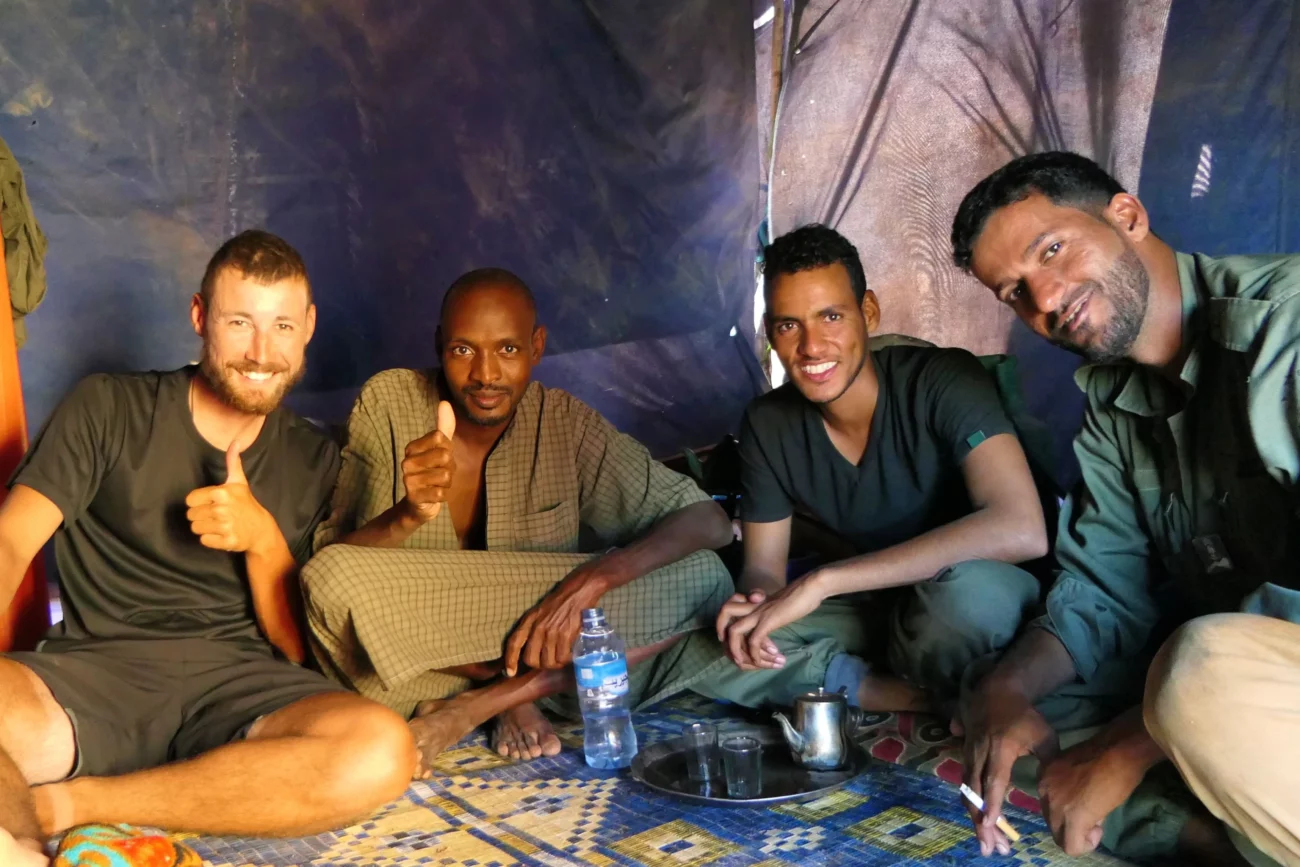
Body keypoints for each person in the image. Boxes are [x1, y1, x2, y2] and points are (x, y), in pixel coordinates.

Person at [0, 231, 415, 867]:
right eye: (239, 322)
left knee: (382, 750)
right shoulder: (108, 406)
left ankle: (68, 804)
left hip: (241, 688)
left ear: (308, 327)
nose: (261, 352)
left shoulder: (317, 459)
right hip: (95, 677)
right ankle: (22, 846)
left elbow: (294, 646)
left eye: (281, 326)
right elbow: (10, 540)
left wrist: (262, 540)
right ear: (201, 317)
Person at [950, 150, 1300, 867]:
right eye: (1014, 292)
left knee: (1198, 676)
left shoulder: (1285, 329)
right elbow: (1104, 593)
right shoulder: (1113, 405)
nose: (1046, 300)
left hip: (1244, 679)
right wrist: (1005, 693)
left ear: (1129, 216)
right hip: (1247, 691)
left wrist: (1126, 747)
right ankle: (1212, 839)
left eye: (1052, 250)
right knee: (1022, 721)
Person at [302, 268, 735, 776]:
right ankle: (510, 692)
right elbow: (344, 569)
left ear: (536, 347)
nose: (485, 374)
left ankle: (485, 703)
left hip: (527, 652)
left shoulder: (564, 424)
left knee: (706, 578)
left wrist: (590, 583)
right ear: (439, 345)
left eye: (507, 350)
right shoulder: (391, 402)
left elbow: (710, 520)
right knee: (328, 580)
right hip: (430, 653)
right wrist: (408, 514)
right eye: (464, 350)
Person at [693, 224, 1047, 713]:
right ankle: (911, 695)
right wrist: (758, 606)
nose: (812, 346)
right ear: (771, 333)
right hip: (873, 605)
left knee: (964, 604)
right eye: (789, 325)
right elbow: (763, 567)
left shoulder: (941, 380)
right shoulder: (768, 422)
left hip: (967, 597)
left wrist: (824, 581)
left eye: (831, 316)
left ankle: (859, 677)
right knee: (715, 644)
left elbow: (1022, 529)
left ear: (869, 312)